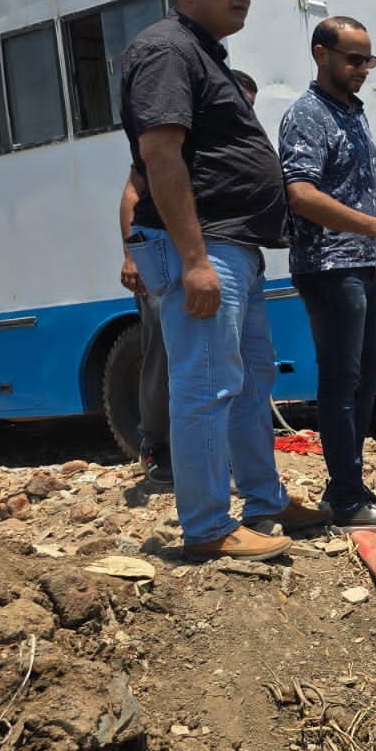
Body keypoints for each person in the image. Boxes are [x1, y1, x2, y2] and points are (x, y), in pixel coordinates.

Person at [120, 0, 329, 561]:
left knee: (245, 382)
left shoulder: (202, 54)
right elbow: (160, 156)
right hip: (202, 245)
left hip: (232, 243)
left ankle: (264, 501)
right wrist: (192, 259)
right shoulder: (166, 50)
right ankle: (208, 526)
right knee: (206, 384)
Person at [279, 17, 376, 529]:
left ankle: (351, 488)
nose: (362, 69)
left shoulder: (354, 115)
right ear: (321, 54)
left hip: (358, 264)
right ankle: (344, 499)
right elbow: (302, 194)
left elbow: (353, 190)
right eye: (353, 59)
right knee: (341, 381)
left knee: (367, 377)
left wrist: (375, 260)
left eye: (369, 60)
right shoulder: (306, 116)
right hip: (326, 266)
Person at [119, 71, 258, 487]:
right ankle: (156, 448)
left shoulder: (234, 144)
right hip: (170, 262)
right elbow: (132, 194)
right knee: (165, 355)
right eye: (239, 103)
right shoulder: (179, 140)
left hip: (220, 263)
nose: (244, 113)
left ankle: (222, 461)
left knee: (226, 365)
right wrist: (131, 254)